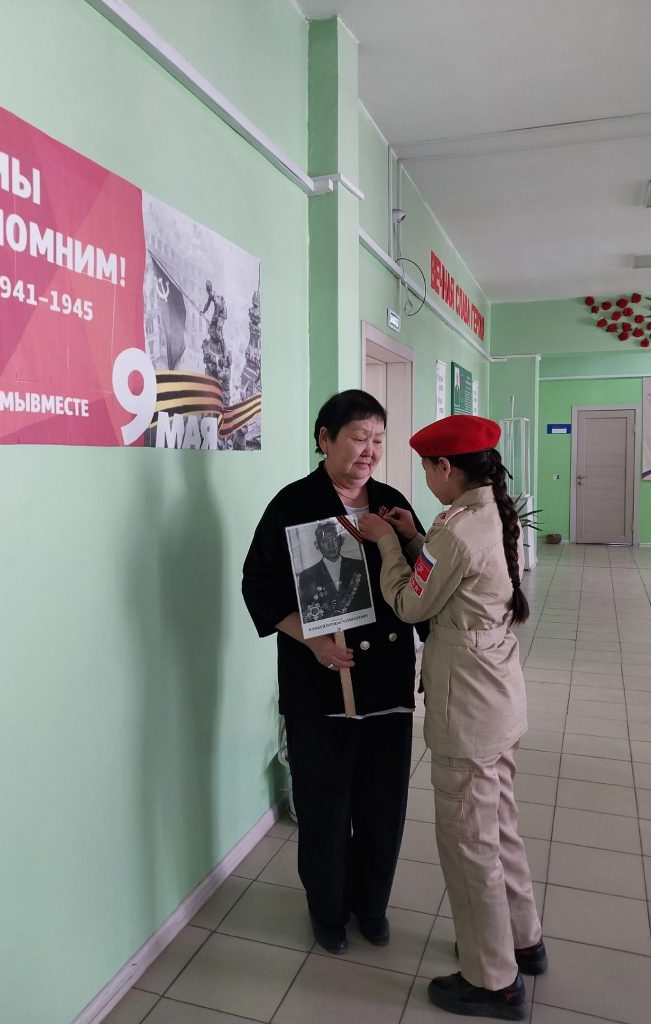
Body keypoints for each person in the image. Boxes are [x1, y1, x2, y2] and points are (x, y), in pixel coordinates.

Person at [357, 414, 545, 1022]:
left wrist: (386, 544)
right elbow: (456, 582)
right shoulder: (489, 515)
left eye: (427, 470)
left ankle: (493, 981)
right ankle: (523, 940)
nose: (426, 481)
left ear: (445, 467)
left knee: (469, 843)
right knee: (500, 823)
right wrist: (416, 538)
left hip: (467, 706)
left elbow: (411, 603)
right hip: (498, 697)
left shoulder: (457, 531)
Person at [242, 390, 427, 955]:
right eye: (358, 438)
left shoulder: (391, 503)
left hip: (387, 681)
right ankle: (326, 911)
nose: (370, 451)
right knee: (324, 806)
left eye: (378, 440)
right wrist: (313, 640)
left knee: (382, 804)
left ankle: (371, 906)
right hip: (319, 682)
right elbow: (258, 585)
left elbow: (425, 583)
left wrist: (409, 537)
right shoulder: (293, 504)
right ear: (325, 438)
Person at [297, 520, 371, 623]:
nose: (331, 545)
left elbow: (367, 603)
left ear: (342, 540)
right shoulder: (307, 576)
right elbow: (307, 614)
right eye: (325, 541)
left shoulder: (360, 566)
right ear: (317, 545)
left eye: (334, 539)